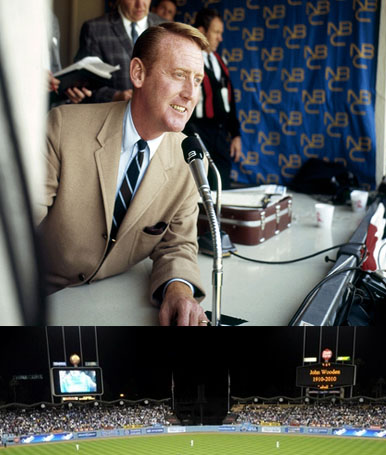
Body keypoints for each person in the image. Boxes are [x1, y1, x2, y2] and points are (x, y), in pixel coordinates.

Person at [37, 22, 209, 326]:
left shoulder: (190, 158)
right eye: (179, 75)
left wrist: (178, 290)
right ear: (138, 73)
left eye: (197, 80)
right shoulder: (62, 126)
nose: (189, 93)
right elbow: (15, 223)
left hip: (111, 306)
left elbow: (177, 244)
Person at [187, 8, 242, 189]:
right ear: (202, 31)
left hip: (221, 134)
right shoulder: (189, 60)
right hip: (198, 131)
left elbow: (230, 99)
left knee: (222, 184)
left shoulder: (220, 61)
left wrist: (235, 134)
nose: (220, 38)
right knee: (201, 185)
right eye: (216, 32)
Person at [71, 0, 164, 104]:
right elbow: (84, 86)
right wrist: (115, 96)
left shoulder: (165, 28)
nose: (140, 4)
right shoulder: (95, 28)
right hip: (113, 113)